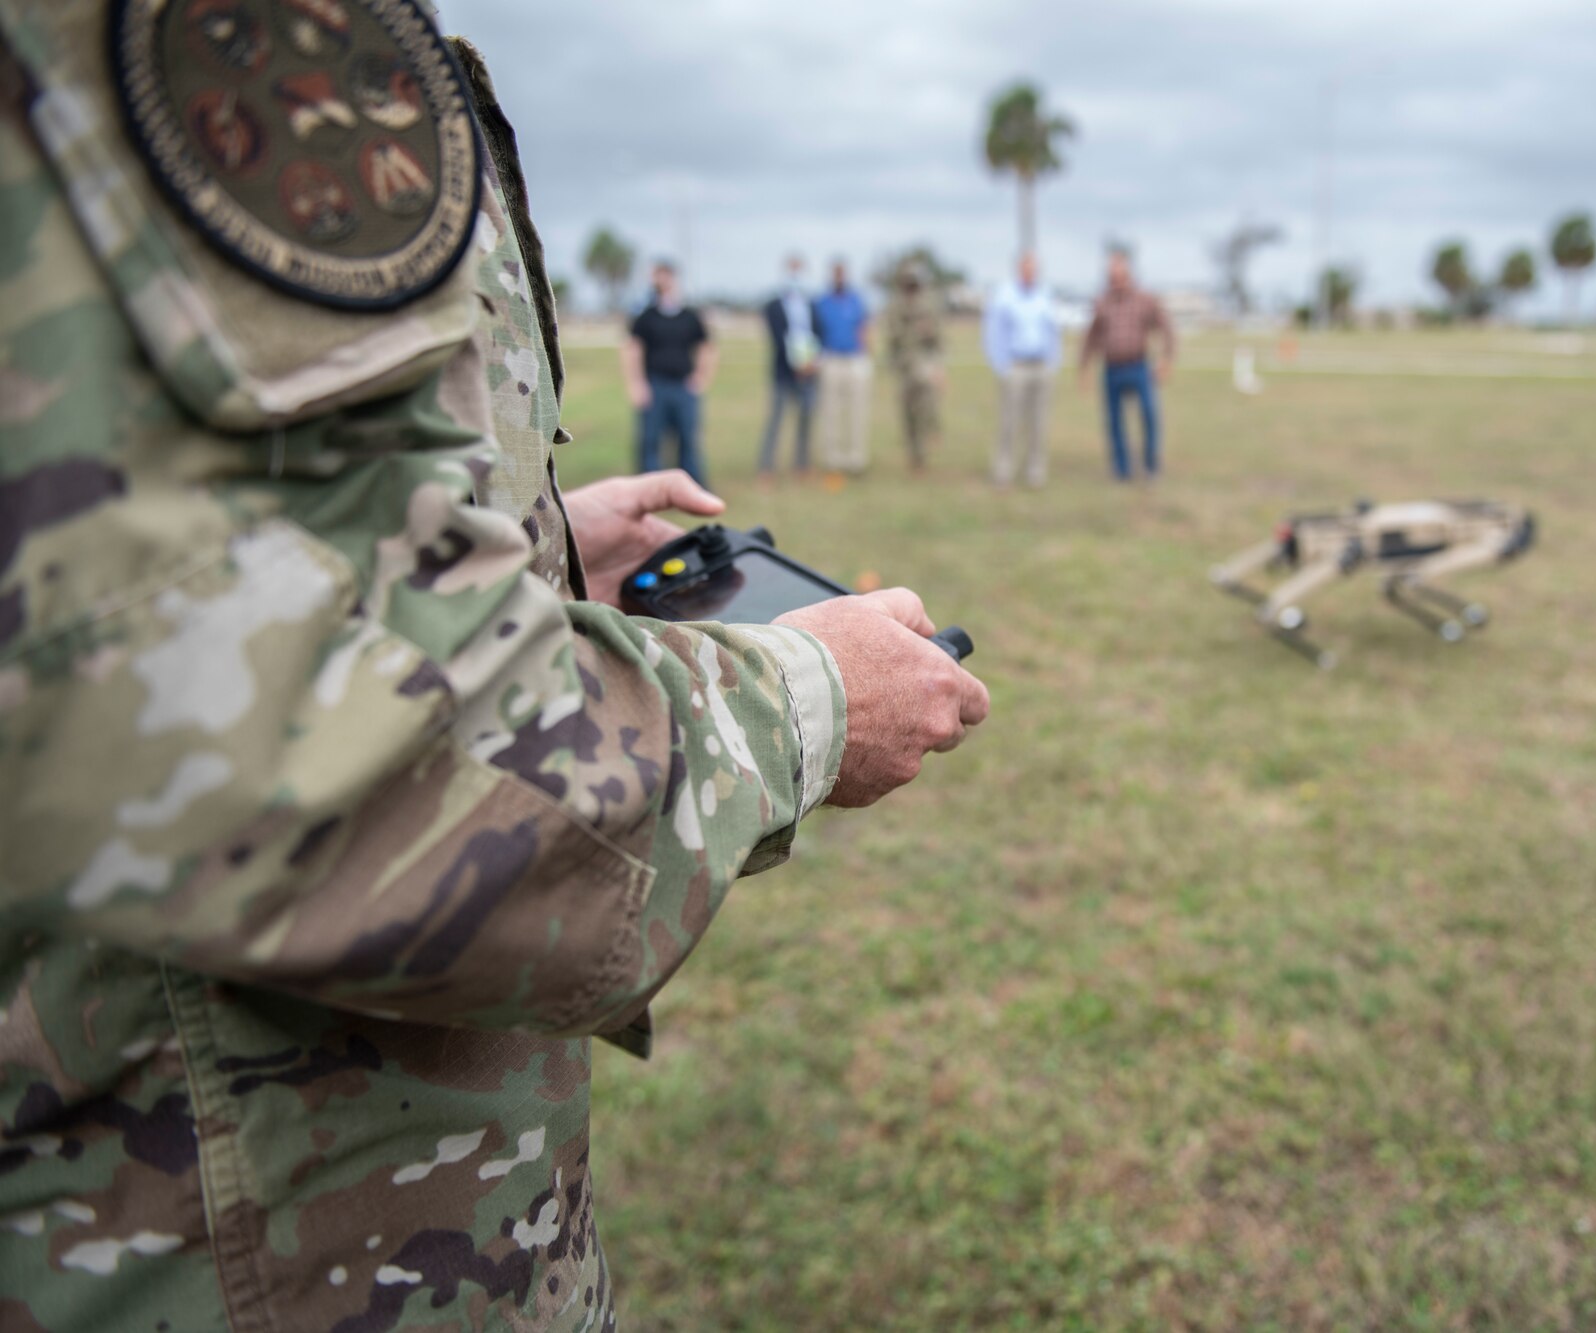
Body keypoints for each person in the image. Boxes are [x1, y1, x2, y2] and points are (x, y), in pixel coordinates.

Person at [0, 10, 989, 1331]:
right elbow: (278, 748)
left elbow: (194, 561)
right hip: (237, 1250)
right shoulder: (175, 41)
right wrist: (806, 703)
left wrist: (535, 543)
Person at [1079, 245, 1176, 481]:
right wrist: (1084, 367)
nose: (1116, 281)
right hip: (1112, 369)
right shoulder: (1102, 303)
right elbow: (1092, 335)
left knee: (1148, 415)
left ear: (1129, 275)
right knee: (1114, 421)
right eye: (1112, 277)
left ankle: (1151, 465)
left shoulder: (1145, 300)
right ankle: (1122, 469)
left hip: (1138, 366)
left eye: (1120, 276)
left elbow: (1166, 329)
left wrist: (1166, 359)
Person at [623, 258, 715, 486]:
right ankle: (650, 488)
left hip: (683, 385)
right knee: (651, 440)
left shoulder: (690, 316)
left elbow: (706, 347)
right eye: (657, 276)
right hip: (655, 384)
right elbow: (633, 350)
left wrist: (701, 377)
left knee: (688, 439)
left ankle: (691, 487)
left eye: (665, 275)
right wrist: (637, 384)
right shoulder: (646, 316)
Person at [982, 251, 1061, 487]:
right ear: (1019, 269)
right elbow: (993, 333)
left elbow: (1053, 332)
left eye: (1033, 268)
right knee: (1009, 422)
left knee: (1039, 423)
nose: (1030, 272)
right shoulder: (1004, 296)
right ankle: (1004, 470)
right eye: (1026, 268)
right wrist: (1001, 365)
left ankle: (1035, 471)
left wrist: (1053, 362)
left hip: (1041, 365)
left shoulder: (1044, 296)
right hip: (1015, 365)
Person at [759, 253, 821, 478]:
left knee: (805, 421)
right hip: (784, 372)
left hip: (809, 372)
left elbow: (817, 333)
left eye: (799, 269)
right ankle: (766, 468)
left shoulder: (812, 304)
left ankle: (802, 466)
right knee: (775, 421)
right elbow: (777, 338)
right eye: (792, 269)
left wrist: (810, 363)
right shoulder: (773, 306)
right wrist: (796, 363)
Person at [883, 259, 946, 470]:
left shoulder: (928, 306)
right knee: (907, 413)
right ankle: (914, 454)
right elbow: (893, 338)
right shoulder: (896, 307)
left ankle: (928, 441)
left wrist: (938, 366)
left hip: (924, 365)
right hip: (904, 367)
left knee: (926, 408)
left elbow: (937, 340)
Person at [812, 259, 872, 474]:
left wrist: (866, 356)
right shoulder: (823, 301)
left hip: (854, 359)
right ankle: (832, 459)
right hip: (831, 359)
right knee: (831, 411)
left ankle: (856, 459)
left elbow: (864, 327)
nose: (839, 277)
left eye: (842, 273)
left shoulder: (855, 299)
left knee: (857, 411)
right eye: (836, 273)